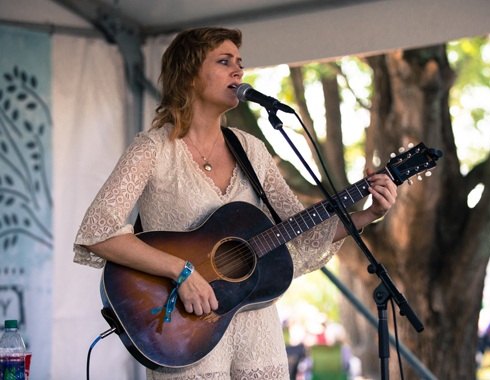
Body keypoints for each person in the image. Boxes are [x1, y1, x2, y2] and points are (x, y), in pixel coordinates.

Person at [73, 27, 398, 380]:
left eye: (240, 64)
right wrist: (181, 270)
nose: (239, 72)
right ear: (190, 75)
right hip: (184, 328)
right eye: (225, 62)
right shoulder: (152, 150)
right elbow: (98, 231)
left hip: (258, 334)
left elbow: (300, 232)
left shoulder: (251, 149)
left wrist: (368, 213)